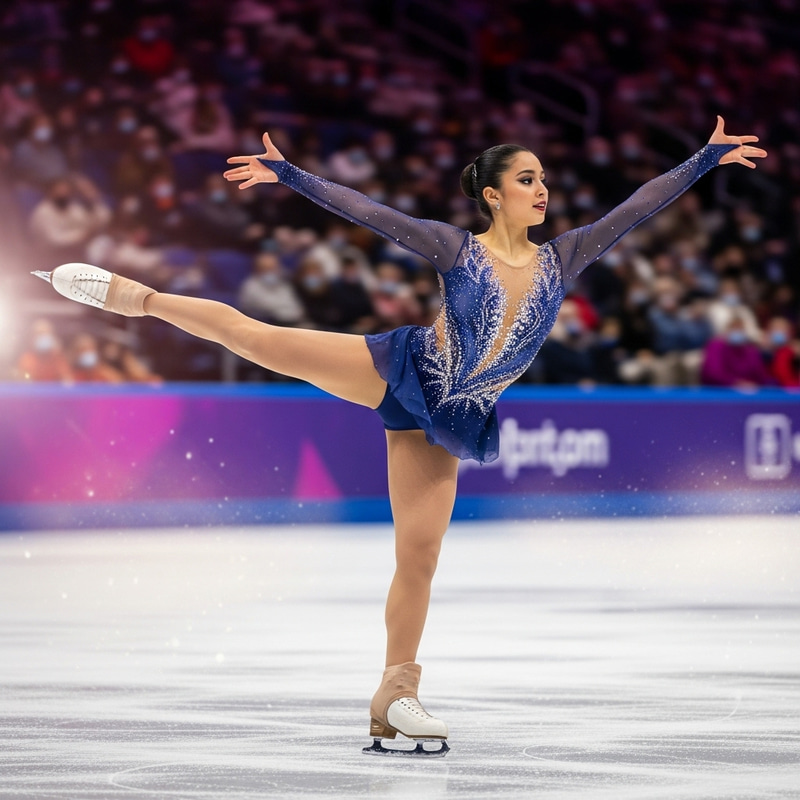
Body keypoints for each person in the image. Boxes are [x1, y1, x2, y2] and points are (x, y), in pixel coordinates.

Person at [34, 116, 766, 757]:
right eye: (526, 179)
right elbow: (369, 212)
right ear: (492, 194)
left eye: (543, 179)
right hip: (404, 370)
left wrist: (702, 159)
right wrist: (287, 172)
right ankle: (135, 296)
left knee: (419, 556)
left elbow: (635, 209)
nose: (542, 191)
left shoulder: (561, 259)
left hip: (453, 416)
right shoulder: (457, 248)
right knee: (257, 339)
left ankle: (394, 694)